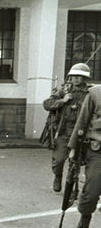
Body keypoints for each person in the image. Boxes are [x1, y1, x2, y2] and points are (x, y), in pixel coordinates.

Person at [43, 63, 91, 192]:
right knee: (58, 160)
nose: (76, 79)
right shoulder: (63, 91)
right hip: (63, 132)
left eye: (79, 76)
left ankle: (73, 183)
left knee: (77, 161)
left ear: (85, 78)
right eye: (74, 76)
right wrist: (63, 101)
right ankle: (57, 176)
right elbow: (47, 104)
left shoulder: (90, 94)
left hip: (81, 132)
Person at [68, 84, 101, 228]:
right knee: (92, 189)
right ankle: (85, 217)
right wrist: (73, 147)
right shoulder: (95, 93)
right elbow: (82, 120)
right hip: (98, 150)